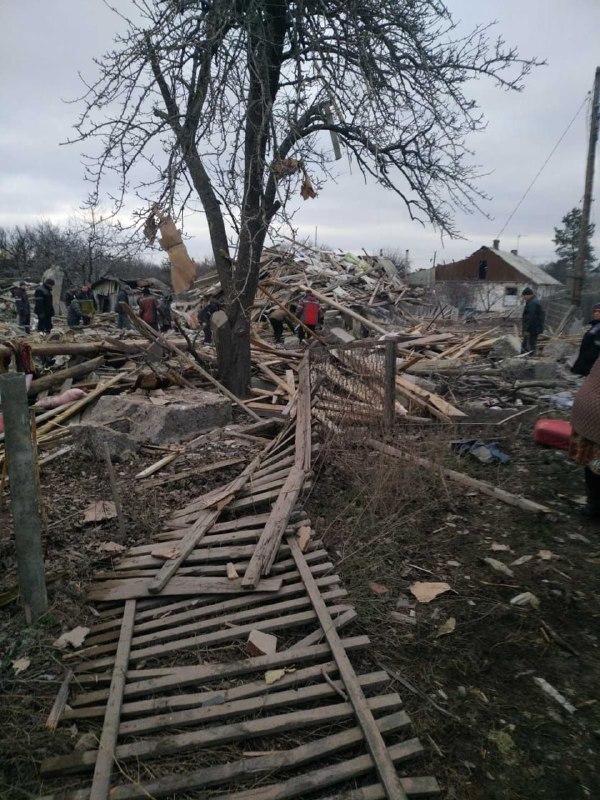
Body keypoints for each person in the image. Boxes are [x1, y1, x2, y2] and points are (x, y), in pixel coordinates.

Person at [570, 357, 600, 519]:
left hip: (587, 404)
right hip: (595, 410)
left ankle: (594, 504)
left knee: (594, 461)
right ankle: (595, 506)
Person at [571, 303, 600, 377]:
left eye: (599, 311)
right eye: (595, 311)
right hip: (585, 361)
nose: (596, 313)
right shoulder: (595, 326)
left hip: (591, 364)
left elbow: (597, 346)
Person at [521, 287, 544, 355]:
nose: (523, 298)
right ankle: (525, 355)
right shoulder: (533, 301)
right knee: (529, 342)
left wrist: (526, 329)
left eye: (524, 296)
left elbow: (531, 317)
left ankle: (528, 356)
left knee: (529, 343)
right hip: (533, 328)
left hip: (531, 328)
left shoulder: (532, 303)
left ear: (528, 295)